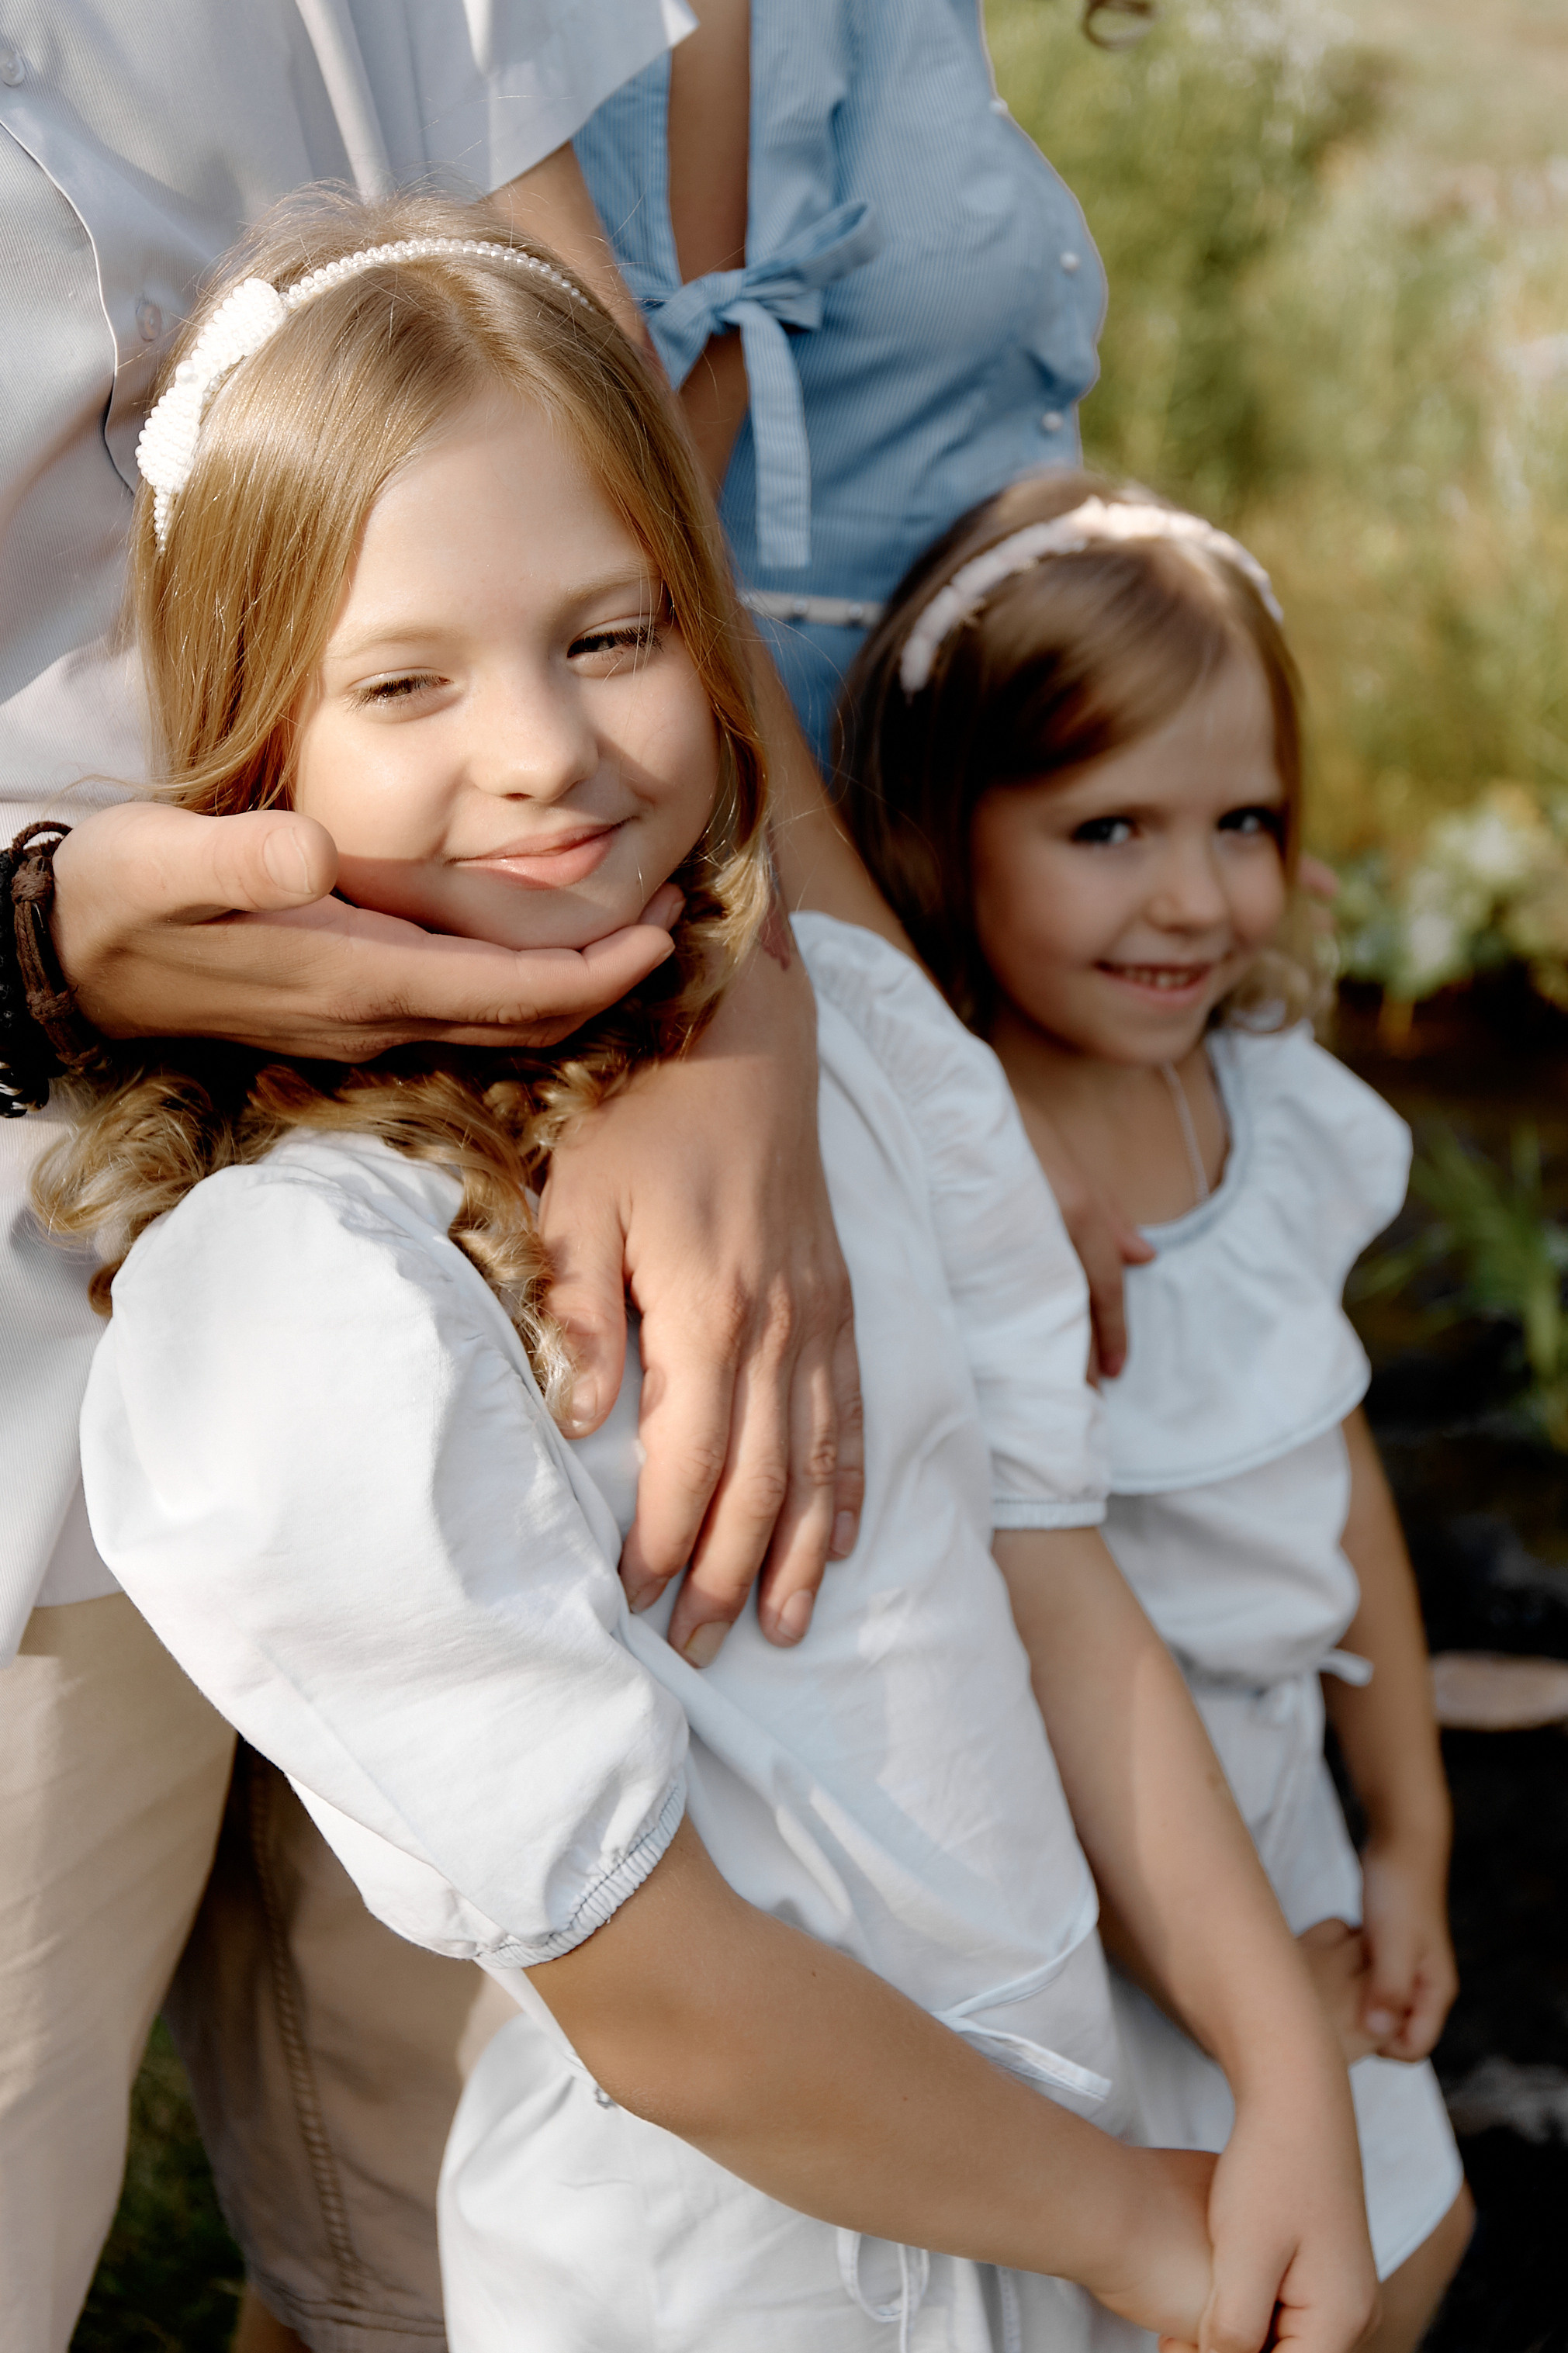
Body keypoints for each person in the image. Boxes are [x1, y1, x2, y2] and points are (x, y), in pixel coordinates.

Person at [50, 189, 1379, 2353]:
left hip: (1069, 2180)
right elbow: (652, 1985)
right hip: (731, 2275)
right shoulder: (307, 1306)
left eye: (610, 635)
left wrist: (1277, 2075)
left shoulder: (863, 1058)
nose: (548, 755)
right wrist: (1132, 2224)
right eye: (406, 680)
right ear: (259, 743)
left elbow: (1060, 1597)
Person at [0, 10, 866, 2351]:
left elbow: (587, 451)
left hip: (503, 1213)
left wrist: (740, 988)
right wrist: (25, 947)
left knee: (493, 2207)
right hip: (27, 1318)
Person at [832, 469, 1477, 2353]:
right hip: (1096, 1845)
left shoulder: (1271, 1115)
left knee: (1400, 2247)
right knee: (1191, 2293)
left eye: (1243, 823)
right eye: (1106, 826)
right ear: (951, 830)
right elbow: (1012, 1617)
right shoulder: (957, 1170)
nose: (1193, 897)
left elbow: (1333, 1473)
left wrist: (1411, 1828)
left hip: (1286, 1822)